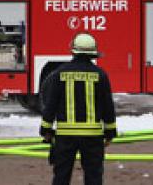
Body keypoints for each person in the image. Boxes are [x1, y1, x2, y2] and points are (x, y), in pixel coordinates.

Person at [39, 33, 117, 185]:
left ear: (73, 51)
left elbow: (51, 104)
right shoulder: (100, 75)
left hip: (65, 136)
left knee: (61, 176)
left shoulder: (59, 74)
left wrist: (46, 130)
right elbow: (108, 106)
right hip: (93, 136)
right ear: (93, 53)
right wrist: (110, 132)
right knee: (93, 177)